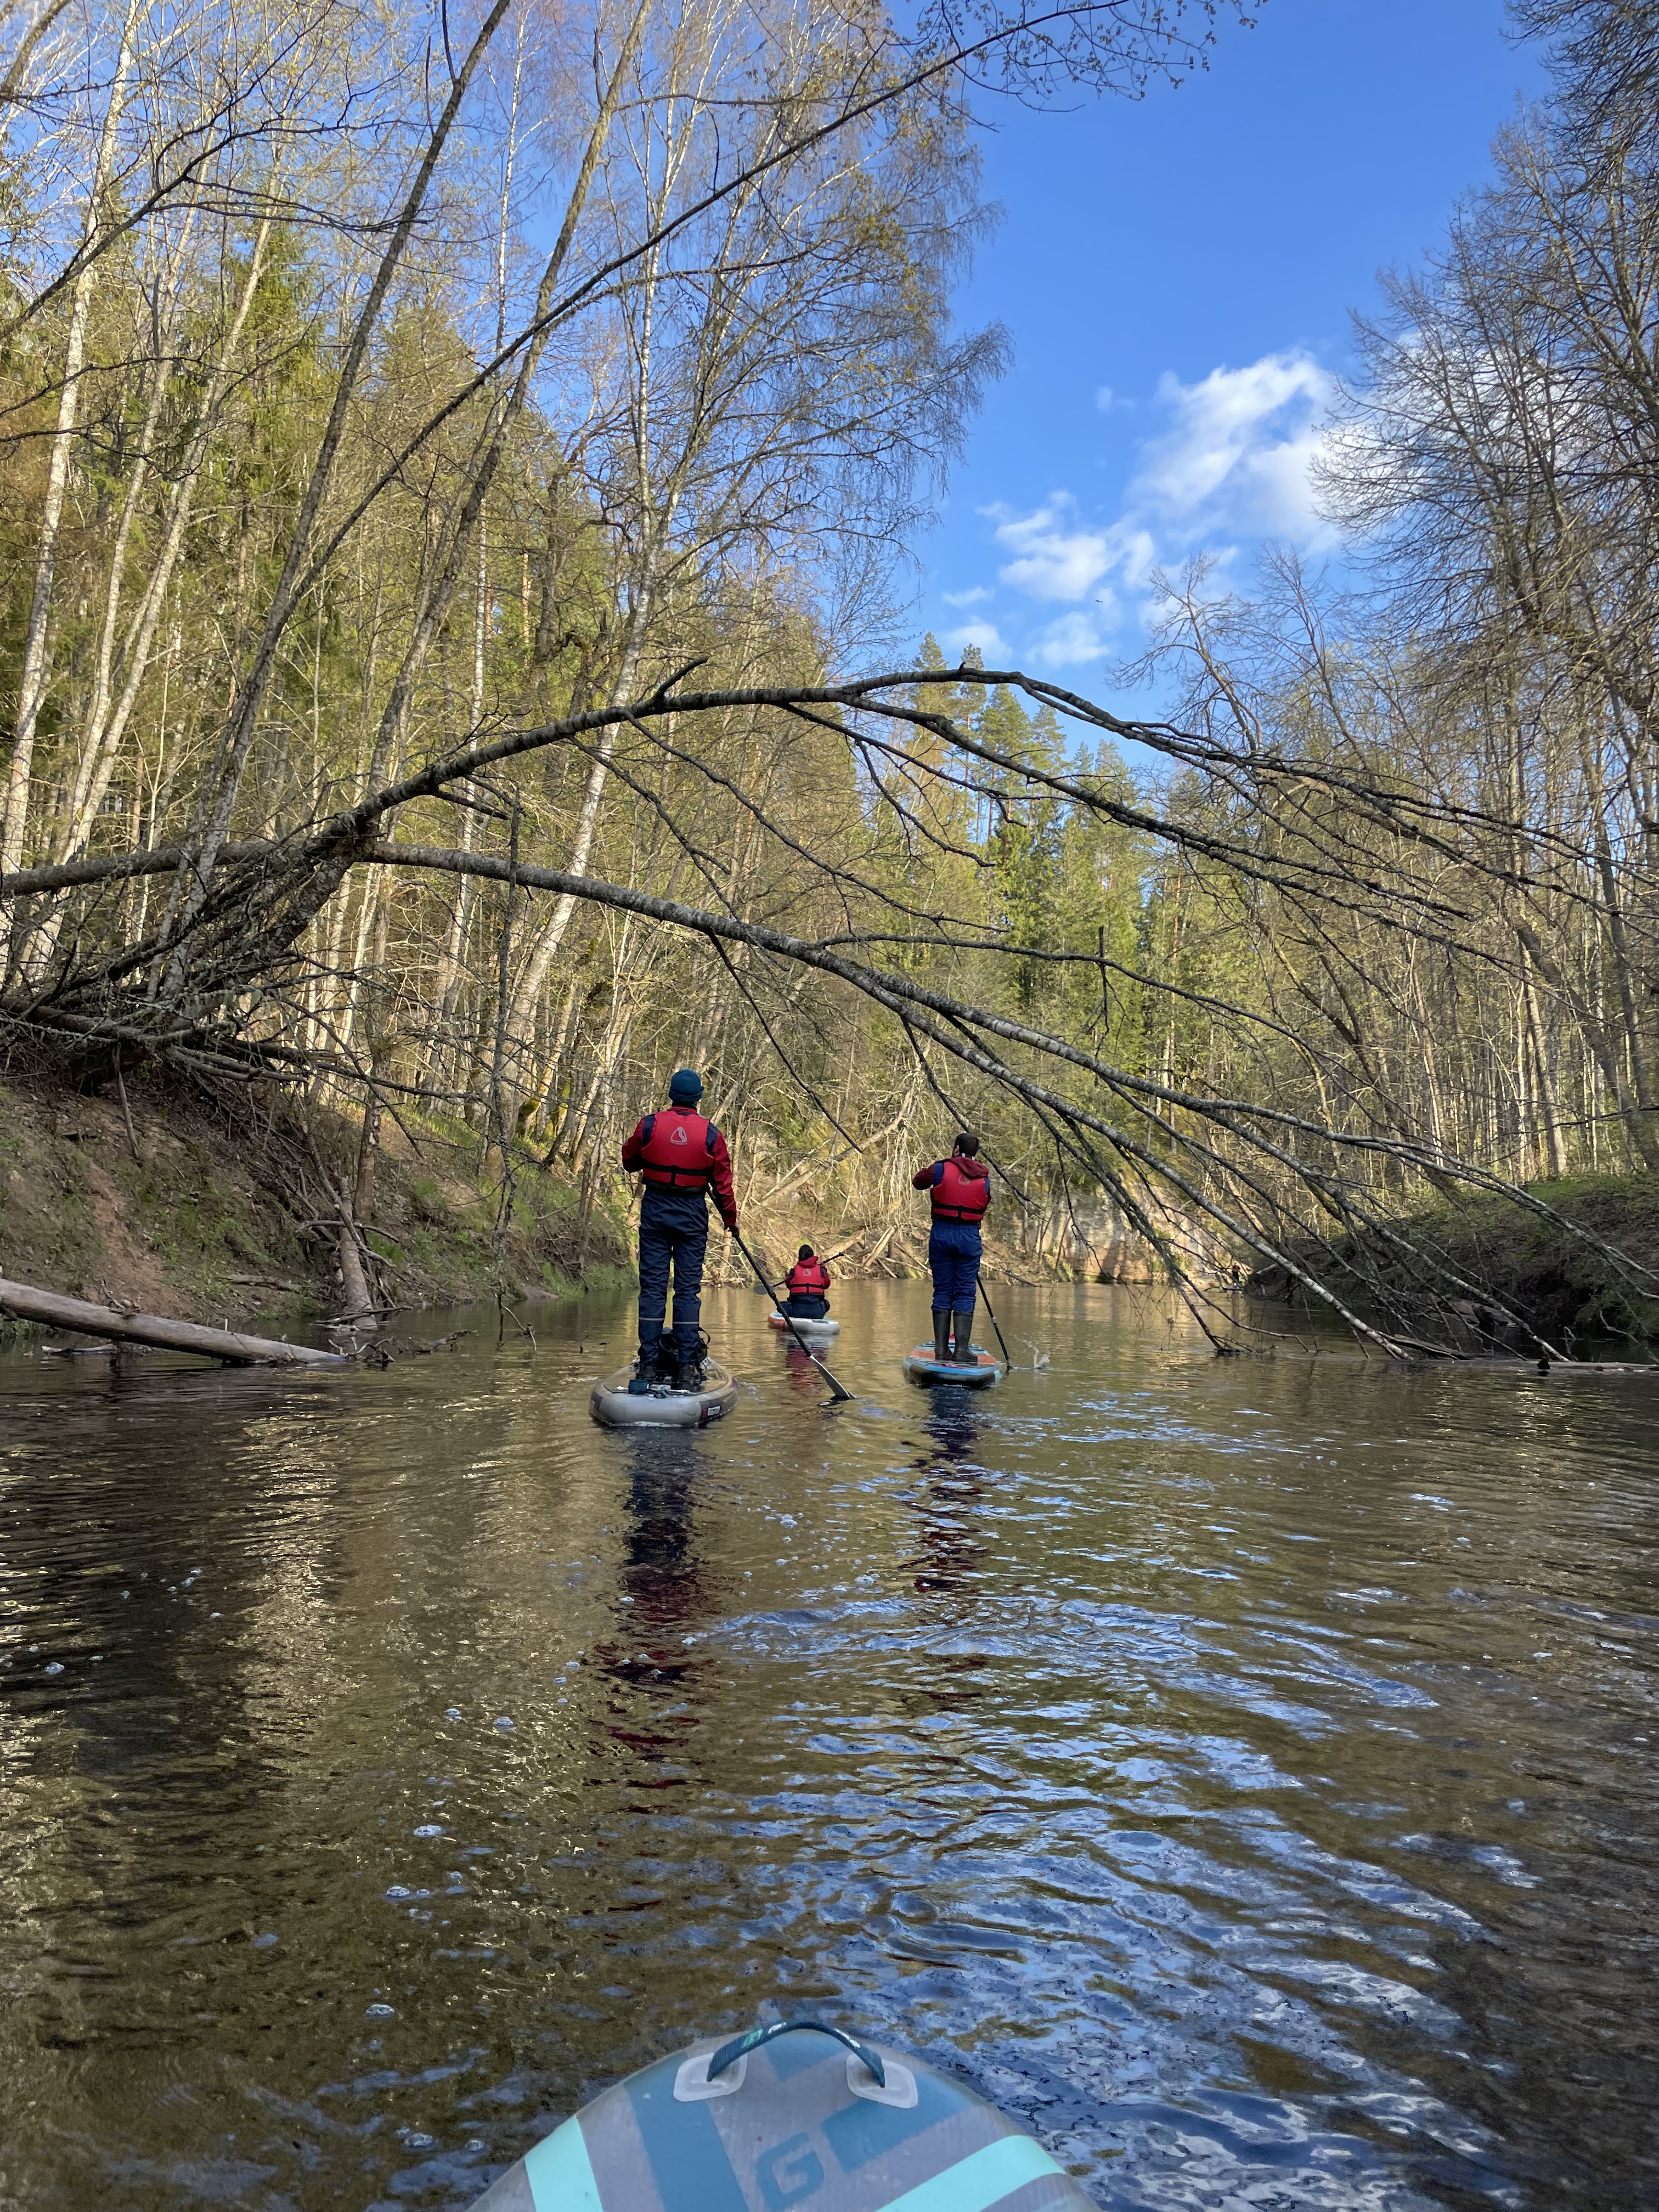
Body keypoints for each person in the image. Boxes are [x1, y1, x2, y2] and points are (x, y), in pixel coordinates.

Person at [620, 1068, 738, 1390]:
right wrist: (731, 1220)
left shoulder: (649, 1125)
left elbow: (629, 1161)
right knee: (687, 1291)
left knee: (653, 1289)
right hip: (691, 1216)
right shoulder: (711, 1134)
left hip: (656, 1212)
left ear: (671, 1094)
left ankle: (648, 1365)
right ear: (698, 1098)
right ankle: (686, 1367)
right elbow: (723, 1185)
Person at [912, 1132, 990, 1364]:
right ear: (975, 1153)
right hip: (969, 1237)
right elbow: (984, 1203)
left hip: (943, 1234)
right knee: (965, 1292)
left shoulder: (940, 1169)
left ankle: (941, 1351)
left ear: (956, 1149)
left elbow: (918, 1182)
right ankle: (962, 1350)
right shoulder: (984, 1177)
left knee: (943, 1291)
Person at [781, 1244, 830, 1319]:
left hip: (797, 1312)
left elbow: (789, 1286)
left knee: (781, 1305)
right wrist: (823, 1269)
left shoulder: (794, 1271)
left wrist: (788, 1276)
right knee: (826, 1303)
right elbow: (827, 1285)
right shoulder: (821, 1271)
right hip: (817, 1313)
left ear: (800, 1257)